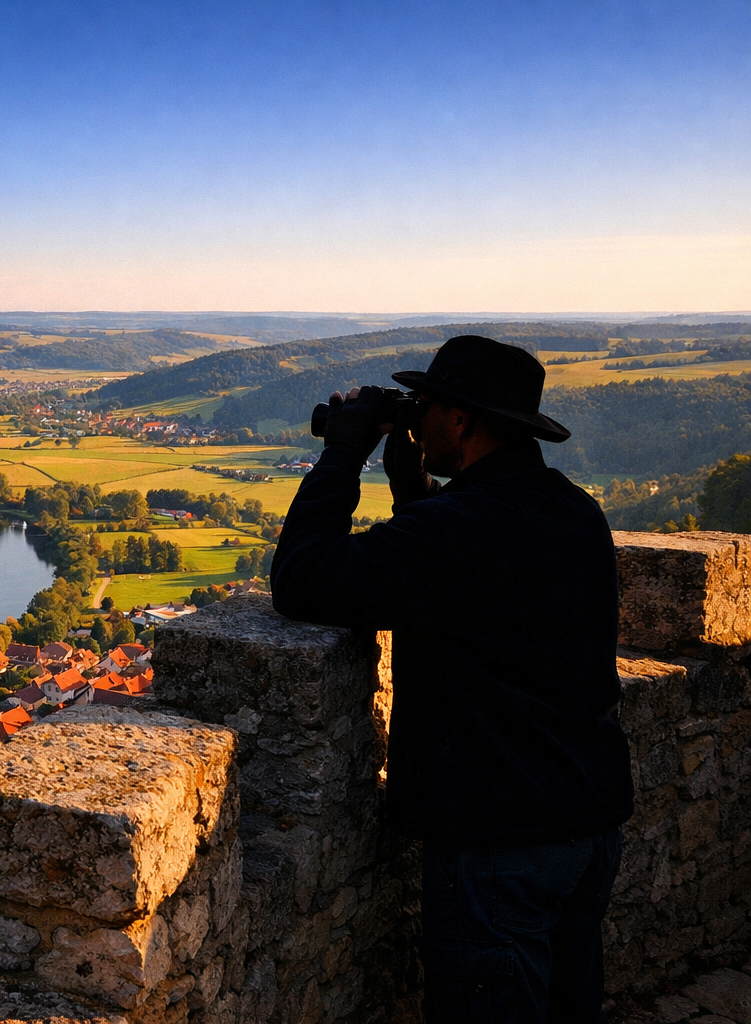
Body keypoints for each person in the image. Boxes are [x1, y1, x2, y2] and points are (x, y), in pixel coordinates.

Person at [270, 335, 634, 1023]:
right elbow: (468, 590)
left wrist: (343, 453)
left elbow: (301, 580)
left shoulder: (457, 530)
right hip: (586, 822)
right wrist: (415, 492)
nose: (419, 420)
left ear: (461, 421)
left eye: (428, 407)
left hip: (500, 839)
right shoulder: (572, 509)